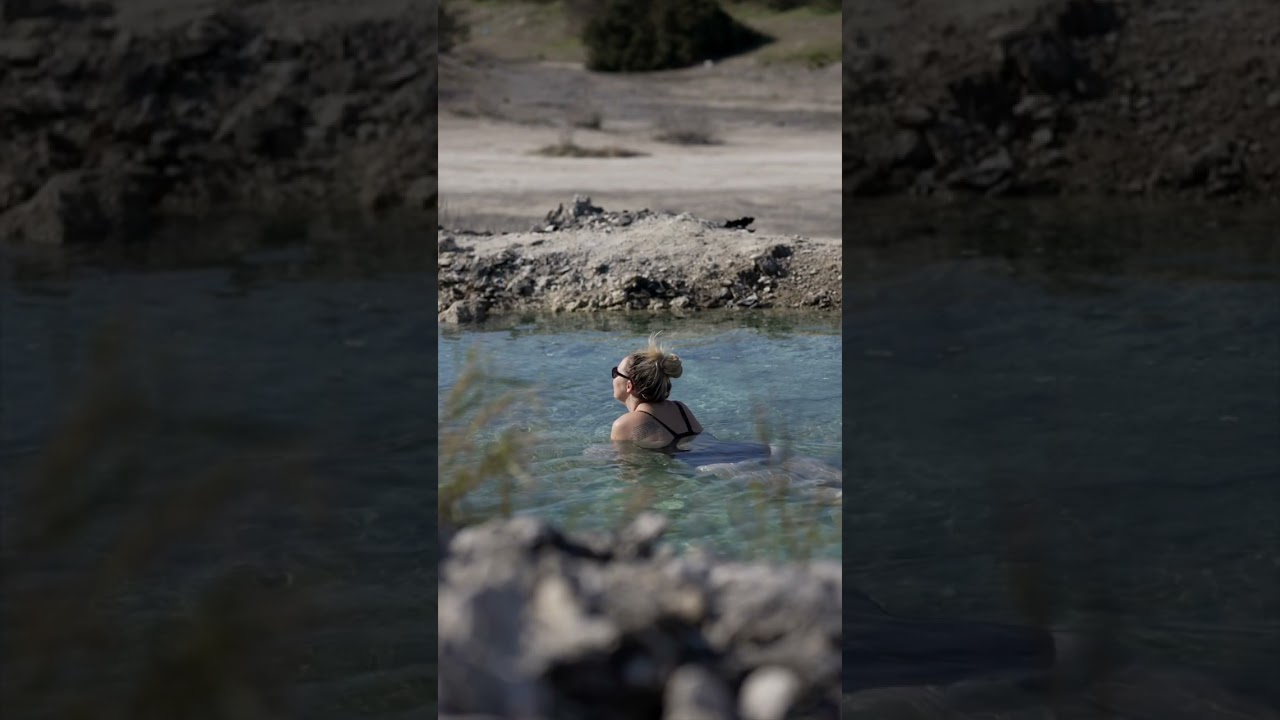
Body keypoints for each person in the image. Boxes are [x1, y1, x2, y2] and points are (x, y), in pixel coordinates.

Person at [610, 333, 704, 451]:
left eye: (615, 373)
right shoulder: (681, 409)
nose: (613, 377)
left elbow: (624, 460)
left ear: (629, 385)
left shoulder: (624, 425)